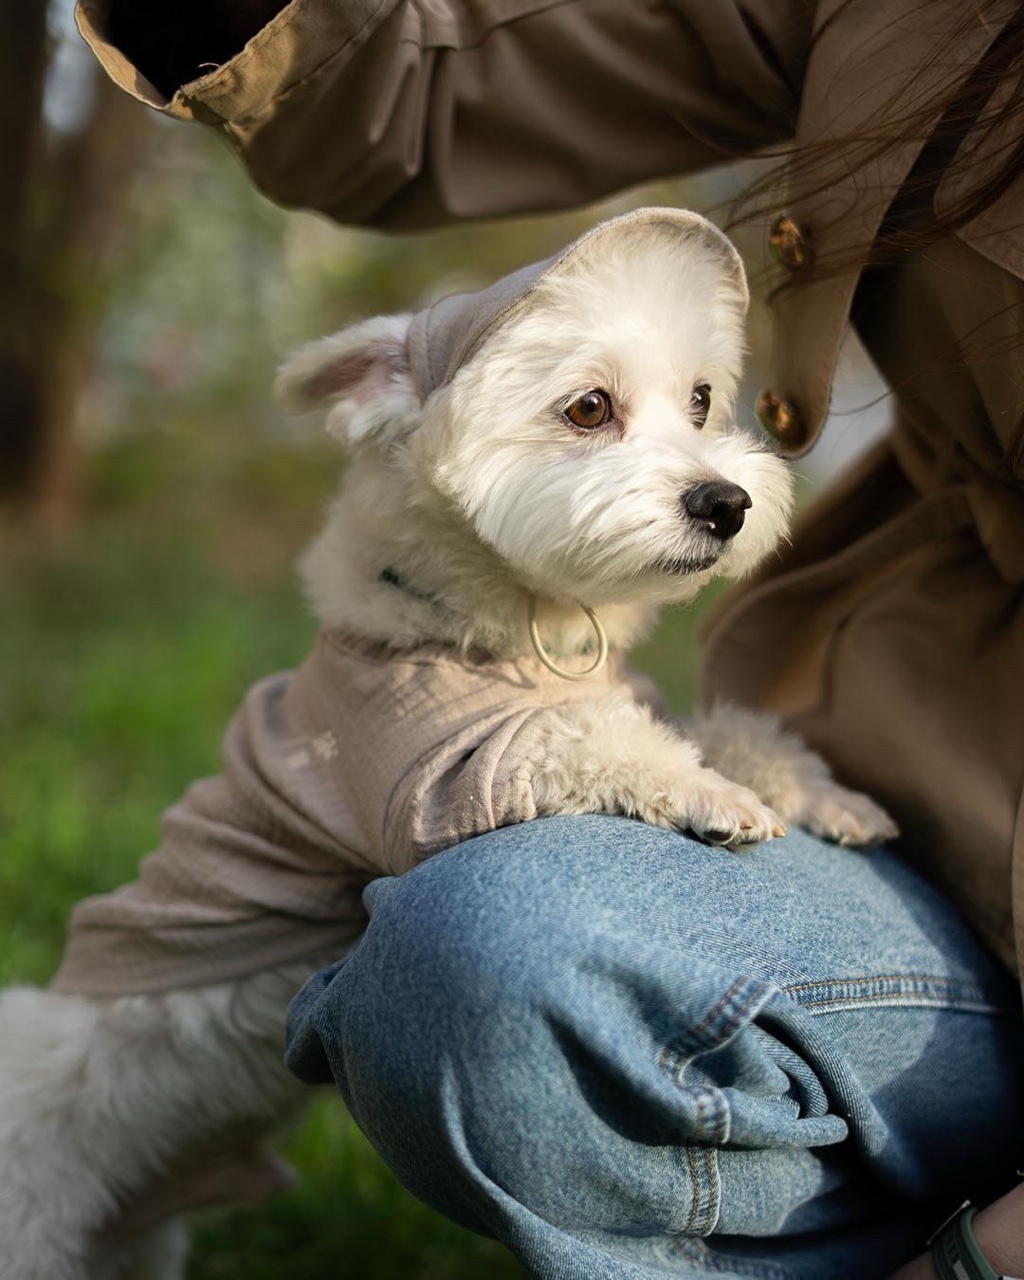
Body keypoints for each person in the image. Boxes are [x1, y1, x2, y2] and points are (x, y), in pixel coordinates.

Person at [72, 1, 1024, 1276]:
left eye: (701, 402)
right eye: (593, 410)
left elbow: (580, 756)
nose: (707, 462)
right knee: (485, 942)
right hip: (932, 825)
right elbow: (438, 78)